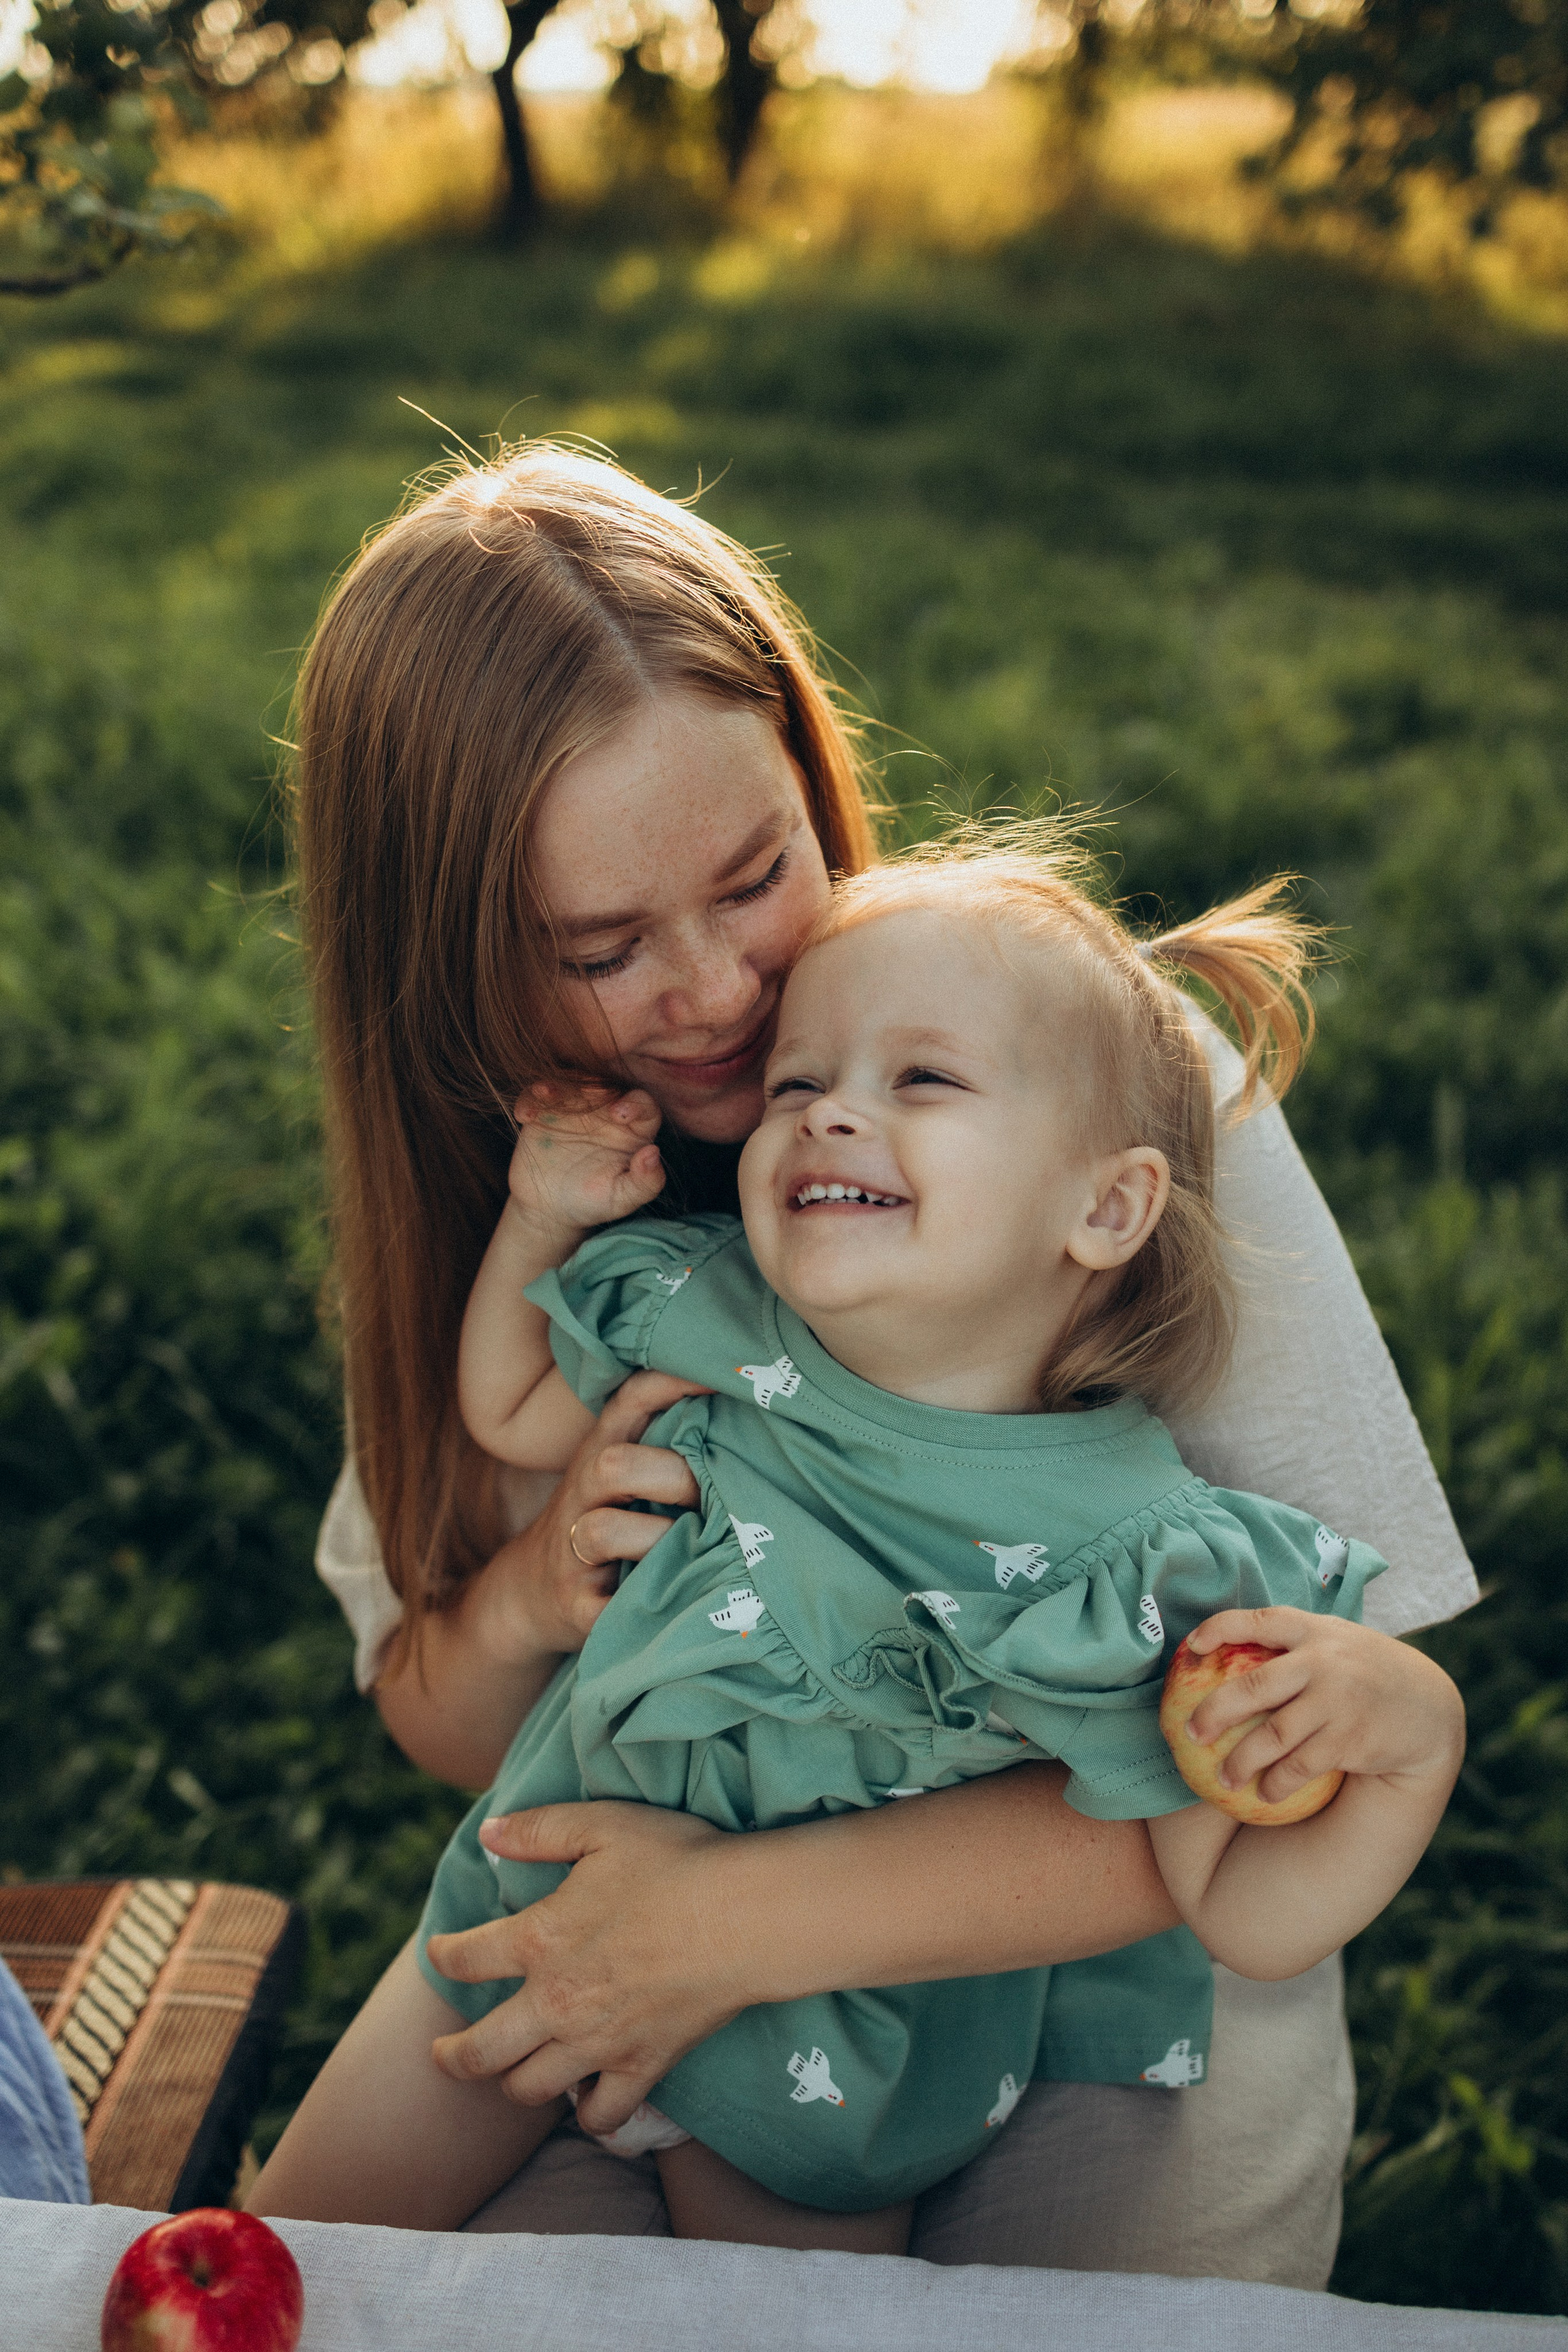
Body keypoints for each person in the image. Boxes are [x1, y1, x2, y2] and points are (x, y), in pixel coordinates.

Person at [257, 443, 1477, 2279]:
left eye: (756, 878)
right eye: (599, 948)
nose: (721, 994)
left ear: (816, 780)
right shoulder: (533, 1207)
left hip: (1085, 1968)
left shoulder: (1099, 1097)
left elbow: (1262, 1771)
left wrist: (731, 1930)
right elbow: (453, 1711)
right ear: (452, 969)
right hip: (635, 1919)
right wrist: (535, 1595)